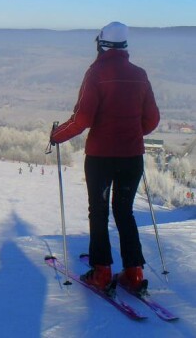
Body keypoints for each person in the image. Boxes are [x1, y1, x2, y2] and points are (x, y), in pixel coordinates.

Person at [50, 22, 160, 293]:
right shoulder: (140, 74)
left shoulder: (96, 73)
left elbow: (83, 118)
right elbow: (153, 119)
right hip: (132, 157)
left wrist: (57, 135)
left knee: (98, 212)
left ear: (101, 44)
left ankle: (101, 272)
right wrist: (131, 134)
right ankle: (134, 273)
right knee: (124, 212)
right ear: (124, 46)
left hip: (101, 157)